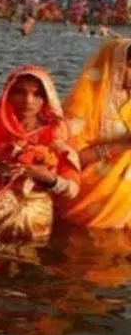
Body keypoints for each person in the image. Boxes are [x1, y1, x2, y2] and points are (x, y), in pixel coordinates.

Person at [0, 66, 80, 244]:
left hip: (34, 224)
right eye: (20, 92)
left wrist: (49, 179)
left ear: (46, 99)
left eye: (37, 94)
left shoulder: (55, 136)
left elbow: (72, 190)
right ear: (8, 94)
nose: (28, 100)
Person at [61, 38, 131, 229]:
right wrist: (121, 145)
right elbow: (68, 160)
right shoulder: (82, 105)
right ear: (114, 65)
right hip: (89, 205)